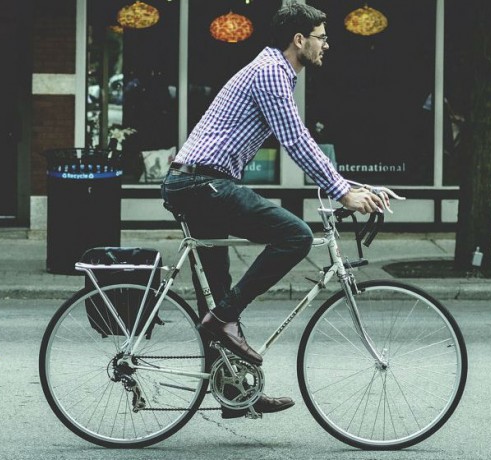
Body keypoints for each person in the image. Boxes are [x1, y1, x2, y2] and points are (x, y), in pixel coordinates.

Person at [160, 1, 386, 419]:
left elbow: (300, 142)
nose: (327, 45)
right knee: (295, 235)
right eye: (322, 37)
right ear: (299, 40)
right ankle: (222, 321)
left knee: (220, 289)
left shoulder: (273, 72)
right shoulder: (270, 74)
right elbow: (297, 141)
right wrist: (341, 192)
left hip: (198, 182)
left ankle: (233, 390)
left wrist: (356, 187)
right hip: (202, 183)